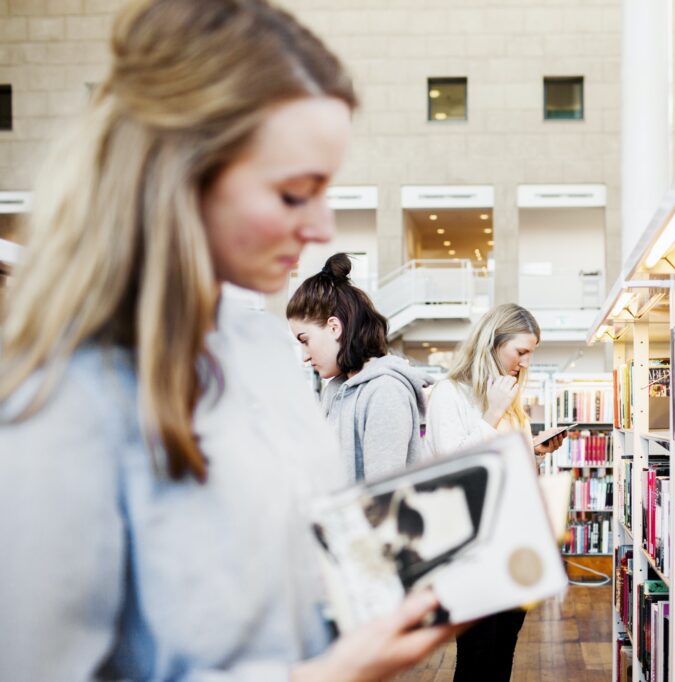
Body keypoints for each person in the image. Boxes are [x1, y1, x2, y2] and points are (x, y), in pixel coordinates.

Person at [0, 1, 457, 680]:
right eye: (294, 194)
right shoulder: (61, 394)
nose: (321, 228)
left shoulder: (262, 351)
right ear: (183, 175)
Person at [424, 302, 566, 682]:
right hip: (471, 549)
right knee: (476, 657)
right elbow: (452, 470)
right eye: (520, 351)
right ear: (492, 341)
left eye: (530, 354)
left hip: (513, 545)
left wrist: (533, 452)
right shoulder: (448, 394)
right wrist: (491, 415)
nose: (523, 362)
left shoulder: (512, 401)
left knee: (503, 652)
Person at [287, 252, 432, 486]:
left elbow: (383, 497)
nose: (304, 356)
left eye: (305, 340)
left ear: (334, 327)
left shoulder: (385, 391)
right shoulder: (336, 390)